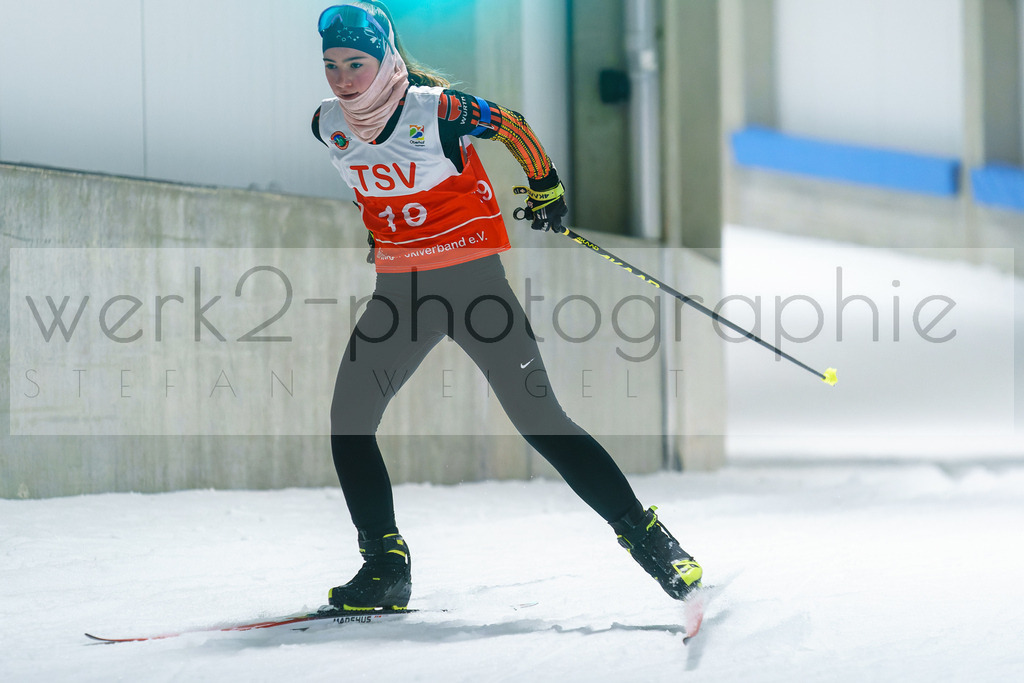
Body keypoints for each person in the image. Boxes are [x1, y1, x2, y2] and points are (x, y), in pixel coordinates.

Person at [311, 1, 702, 612]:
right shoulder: (328, 123)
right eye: (332, 65)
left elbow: (512, 126)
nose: (342, 78)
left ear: (386, 57)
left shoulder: (434, 108)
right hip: (400, 296)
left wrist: (545, 185)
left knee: (542, 421)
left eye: (356, 63)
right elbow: (376, 191)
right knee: (349, 425)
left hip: (473, 290)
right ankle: (386, 566)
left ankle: (651, 540)